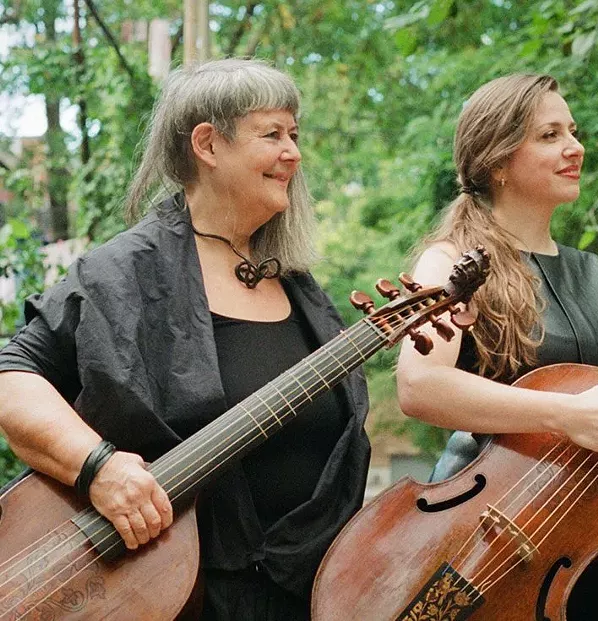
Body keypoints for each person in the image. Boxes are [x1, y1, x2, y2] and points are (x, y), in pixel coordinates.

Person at [0, 58, 370, 620]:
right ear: (208, 144)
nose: (293, 152)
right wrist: (97, 467)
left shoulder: (296, 284)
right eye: (272, 134)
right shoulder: (124, 272)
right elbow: (11, 377)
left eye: (295, 135)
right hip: (172, 595)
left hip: (300, 592)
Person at [396, 74, 598, 621]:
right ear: (497, 161)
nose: (575, 147)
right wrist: (567, 414)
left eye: (573, 131)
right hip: (490, 544)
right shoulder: (449, 263)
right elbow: (419, 387)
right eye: (549, 134)